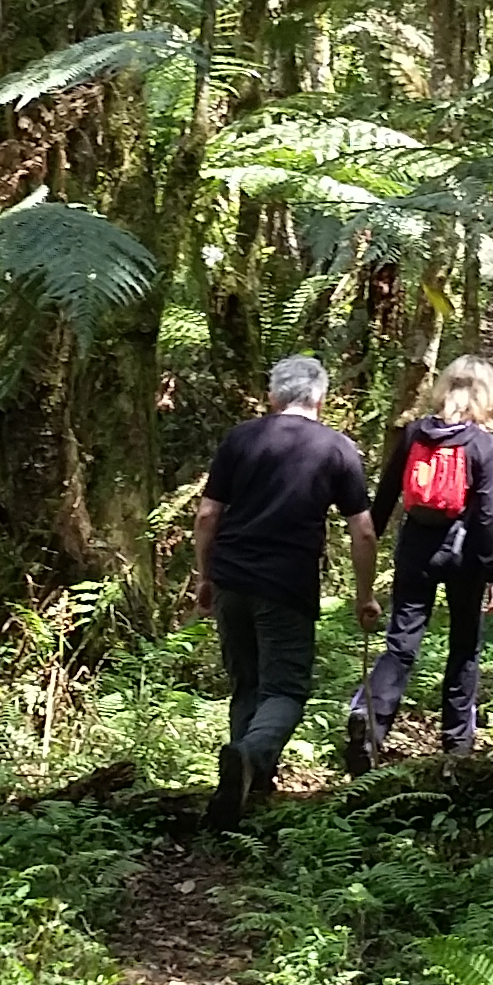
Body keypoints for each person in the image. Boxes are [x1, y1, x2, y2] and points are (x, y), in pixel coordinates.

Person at [191, 355, 377, 830]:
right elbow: (363, 531)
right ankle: (251, 759)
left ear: (273, 396)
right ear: (321, 397)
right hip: (286, 583)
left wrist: (204, 575)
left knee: (247, 683)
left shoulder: (241, 438)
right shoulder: (338, 449)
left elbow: (208, 514)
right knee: (286, 689)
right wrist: (364, 595)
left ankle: (245, 784)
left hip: (232, 577)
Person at [341, 355, 493, 775]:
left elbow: (383, 497)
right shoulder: (483, 445)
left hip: (416, 546)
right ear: (486, 396)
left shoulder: (416, 433)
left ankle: (372, 725)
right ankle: (457, 744)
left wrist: (369, 544)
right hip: (465, 553)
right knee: (464, 645)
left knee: (401, 641)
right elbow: (487, 517)